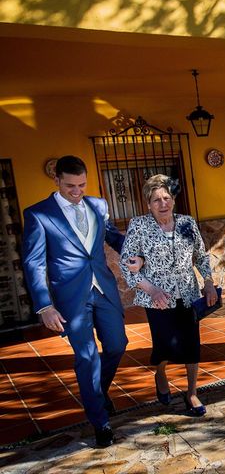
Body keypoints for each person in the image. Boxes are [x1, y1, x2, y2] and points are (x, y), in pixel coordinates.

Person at [22, 155, 142, 448]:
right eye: (70, 186)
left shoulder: (98, 205)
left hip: (103, 289)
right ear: (57, 181)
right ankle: (100, 421)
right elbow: (34, 263)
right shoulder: (39, 214)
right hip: (70, 299)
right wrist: (44, 306)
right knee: (86, 357)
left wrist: (135, 253)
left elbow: (112, 236)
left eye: (82, 185)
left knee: (117, 345)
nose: (77, 192)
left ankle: (97, 392)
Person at [119, 174, 217, 417]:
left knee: (192, 345)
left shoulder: (187, 222)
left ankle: (192, 393)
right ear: (148, 204)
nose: (163, 204)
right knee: (166, 347)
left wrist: (209, 283)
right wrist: (151, 290)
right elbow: (125, 263)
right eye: (156, 200)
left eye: (166, 198)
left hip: (188, 294)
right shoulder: (139, 225)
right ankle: (160, 372)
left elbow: (201, 256)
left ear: (173, 199)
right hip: (158, 298)